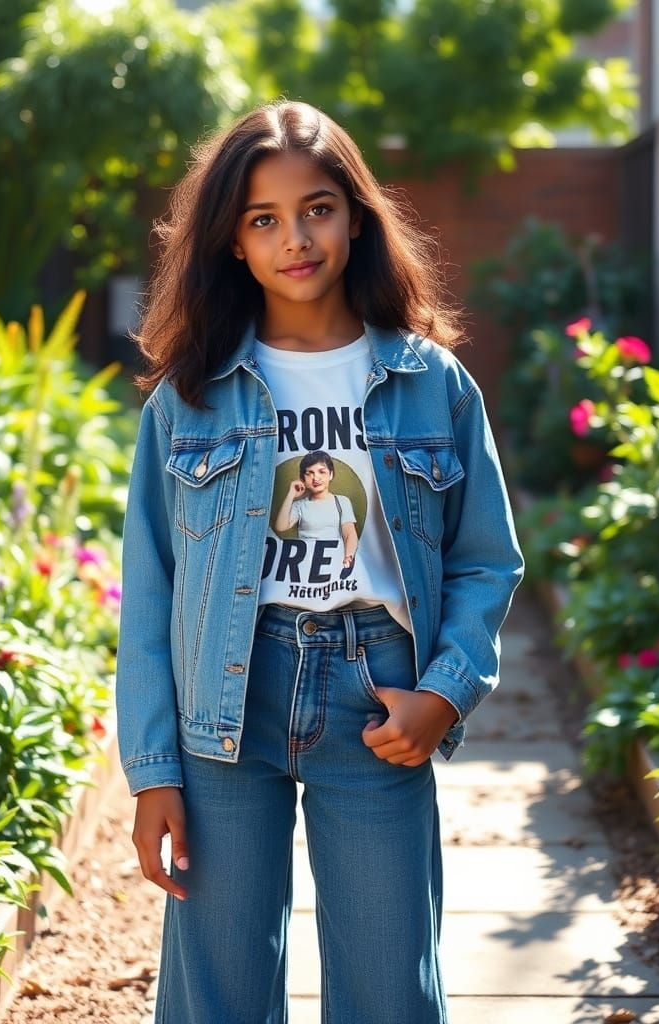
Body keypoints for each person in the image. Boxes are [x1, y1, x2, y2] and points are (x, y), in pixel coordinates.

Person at [115, 99, 525, 1024]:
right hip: (226, 702)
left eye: (318, 208)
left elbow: (486, 559)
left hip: (377, 696)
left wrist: (447, 691)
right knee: (215, 994)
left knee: (391, 990)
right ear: (232, 242)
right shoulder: (190, 397)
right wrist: (152, 772)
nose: (294, 238)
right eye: (263, 219)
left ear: (356, 215)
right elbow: (151, 593)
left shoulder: (431, 381)